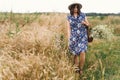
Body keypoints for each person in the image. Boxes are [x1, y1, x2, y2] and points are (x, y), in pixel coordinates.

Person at [67, 3, 89, 74]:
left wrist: (85, 23)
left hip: (82, 36)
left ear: (79, 8)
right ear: (71, 9)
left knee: (82, 52)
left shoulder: (83, 15)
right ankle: (76, 69)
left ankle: (81, 69)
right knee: (75, 54)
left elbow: (88, 24)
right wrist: (69, 39)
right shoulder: (69, 17)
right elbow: (68, 29)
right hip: (73, 37)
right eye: (74, 8)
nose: (76, 9)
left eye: (77, 8)